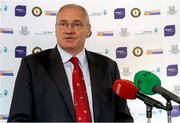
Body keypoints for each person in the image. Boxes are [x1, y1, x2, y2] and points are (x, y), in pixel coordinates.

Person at [8, 4, 133, 122]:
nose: (69, 30)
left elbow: (123, 117)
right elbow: (19, 119)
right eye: (63, 24)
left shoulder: (108, 66)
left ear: (88, 30)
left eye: (76, 24)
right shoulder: (32, 65)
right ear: (56, 29)